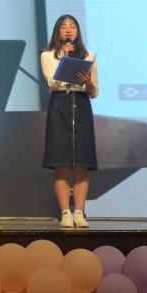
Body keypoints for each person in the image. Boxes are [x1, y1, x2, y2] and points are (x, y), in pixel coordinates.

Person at [40, 15, 100, 228]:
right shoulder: (48, 55)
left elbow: (94, 91)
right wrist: (66, 64)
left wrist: (88, 83)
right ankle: (65, 213)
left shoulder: (88, 55)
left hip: (82, 106)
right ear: (58, 31)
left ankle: (79, 213)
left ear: (77, 31)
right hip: (60, 106)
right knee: (62, 165)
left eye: (72, 26)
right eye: (64, 27)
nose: (68, 30)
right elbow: (51, 82)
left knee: (82, 165)